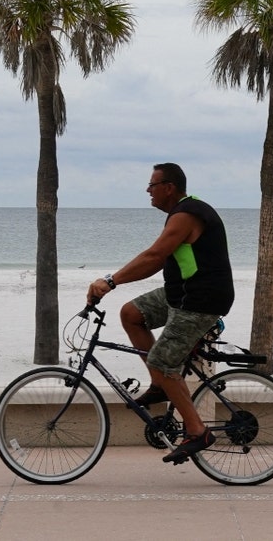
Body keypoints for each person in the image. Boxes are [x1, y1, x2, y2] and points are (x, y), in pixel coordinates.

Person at [87, 162, 234, 463]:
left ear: (169, 187)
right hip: (181, 295)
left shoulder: (187, 214)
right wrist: (116, 282)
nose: (147, 191)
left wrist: (111, 281)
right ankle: (160, 384)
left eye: (152, 185)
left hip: (201, 300)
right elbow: (156, 262)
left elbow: (154, 255)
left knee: (163, 360)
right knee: (131, 314)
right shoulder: (178, 215)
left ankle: (197, 431)